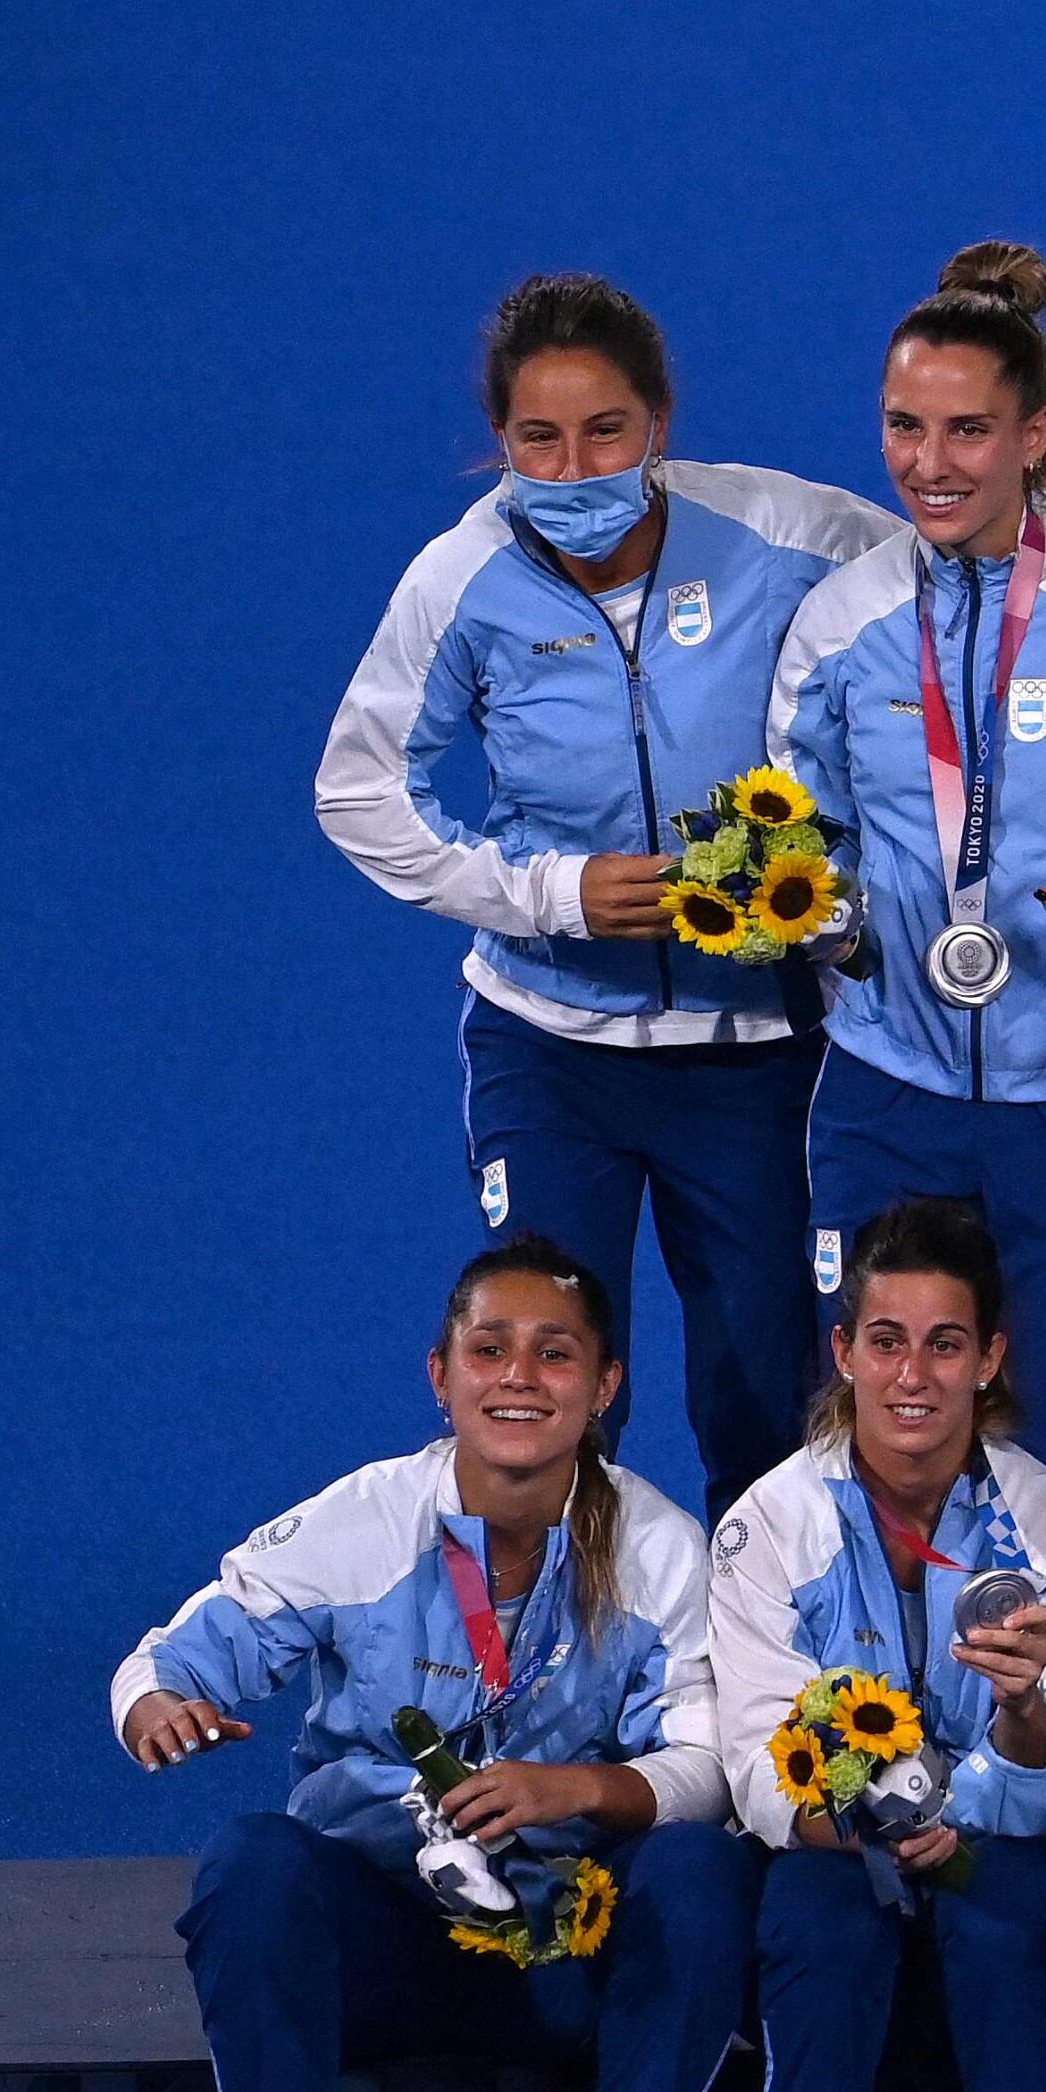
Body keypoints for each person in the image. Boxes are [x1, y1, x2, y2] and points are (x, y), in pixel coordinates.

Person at [318, 275, 899, 1516]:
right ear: (500, 444)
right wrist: (548, 893)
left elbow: (958, 557)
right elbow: (360, 791)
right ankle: (557, 1686)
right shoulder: (459, 579)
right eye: (537, 438)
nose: (572, 465)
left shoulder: (786, 531)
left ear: (661, 426)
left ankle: (768, 1687)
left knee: (767, 1386)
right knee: (546, 1380)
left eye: (604, 433)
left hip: (753, 1052)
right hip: (550, 1049)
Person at [112, 1237, 754, 2092]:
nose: (518, 1377)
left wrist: (572, 1790)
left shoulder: (656, 1546)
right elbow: (169, 1655)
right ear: (439, 1376)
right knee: (250, 1865)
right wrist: (156, 1708)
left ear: (604, 1388)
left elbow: (705, 1770)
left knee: (700, 1868)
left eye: (555, 1355)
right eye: (488, 1349)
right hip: (387, 1946)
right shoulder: (362, 1523)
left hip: (568, 1951)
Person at [767, 243, 1046, 1522]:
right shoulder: (841, 623)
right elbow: (800, 835)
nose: (930, 462)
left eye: (969, 430)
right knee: (869, 1436)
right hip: (887, 1086)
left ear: (1036, 436)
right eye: (904, 427)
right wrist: (825, 917)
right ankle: (864, 1709)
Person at [711, 1197, 1046, 2092]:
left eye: (945, 1344)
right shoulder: (770, 1525)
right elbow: (755, 1761)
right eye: (886, 1341)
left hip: (990, 1842)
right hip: (840, 1846)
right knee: (819, 1906)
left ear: (990, 1359)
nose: (913, 1375)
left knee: (1008, 1900)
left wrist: (1015, 1722)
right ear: (844, 1352)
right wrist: (867, 1827)